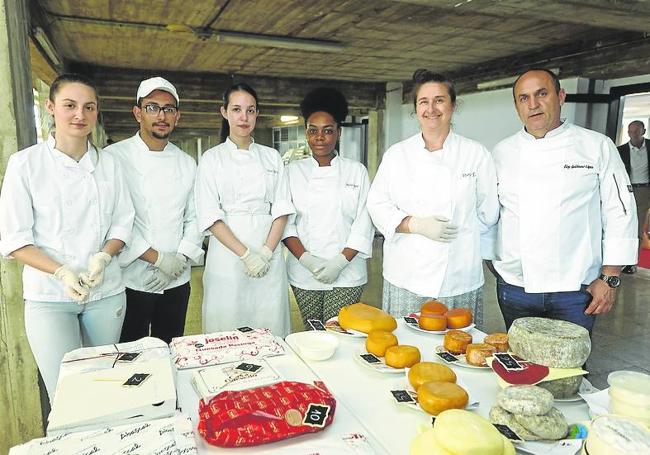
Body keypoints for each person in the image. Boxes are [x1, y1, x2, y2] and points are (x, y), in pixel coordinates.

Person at [0, 73, 134, 401]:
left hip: (105, 291)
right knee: (66, 392)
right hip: (49, 297)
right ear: (50, 107)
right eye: (70, 105)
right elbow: (15, 238)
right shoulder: (26, 164)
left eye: (89, 107)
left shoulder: (110, 165)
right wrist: (60, 271)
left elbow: (122, 223)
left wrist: (104, 256)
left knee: (105, 385)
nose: (80, 115)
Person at [489, 68, 638, 334]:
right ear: (516, 106)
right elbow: (489, 215)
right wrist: (496, 266)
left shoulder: (596, 146)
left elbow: (620, 212)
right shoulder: (501, 153)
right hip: (516, 286)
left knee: (570, 369)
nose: (533, 104)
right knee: (521, 367)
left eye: (541, 94)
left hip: (576, 287)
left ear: (561, 96)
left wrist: (610, 276)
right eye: (523, 98)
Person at [367, 70, 499, 329]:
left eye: (439, 100)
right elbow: (377, 204)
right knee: (406, 349)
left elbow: (488, 213)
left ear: (453, 105)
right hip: (407, 274)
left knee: (457, 349)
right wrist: (415, 225)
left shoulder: (476, 154)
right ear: (415, 109)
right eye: (423, 101)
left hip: (459, 275)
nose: (431, 108)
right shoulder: (398, 155)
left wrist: (462, 239)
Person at [105, 77, 203, 344]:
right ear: (138, 113)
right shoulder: (113, 158)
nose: (161, 115)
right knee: (129, 355)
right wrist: (157, 258)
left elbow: (195, 217)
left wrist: (179, 259)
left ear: (177, 116)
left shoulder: (186, 162)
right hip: (129, 280)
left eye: (168, 109)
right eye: (152, 107)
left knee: (172, 349)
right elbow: (115, 219)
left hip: (176, 279)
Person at [194, 83, 294, 336]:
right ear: (224, 112)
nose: (243, 117)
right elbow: (210, 214)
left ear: (257, 115)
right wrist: (246, 255)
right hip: (227, 256)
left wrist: (266, 253)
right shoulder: (211, 159)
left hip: (267, 252)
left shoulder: (271, 157)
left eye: (250, 110)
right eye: (237, 109)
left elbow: (281, 208)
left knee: (269, 323)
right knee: (226, 323)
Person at [282, 88, 375, 325]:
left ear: (339, 133)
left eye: (327, 131)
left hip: (347, 270)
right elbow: (286, 222)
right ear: (306, 134)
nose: (320, 137)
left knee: (339, 332)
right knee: (313, 332)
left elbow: (365, 221)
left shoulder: (356, 171)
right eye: (313, 131)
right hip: (304, 270)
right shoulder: (292, 172)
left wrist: (340, 262)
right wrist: (308, 261)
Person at [617, 120, 650, 274]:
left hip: (645, 189)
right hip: (628, 191)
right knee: (628, 226)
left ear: (643, 131)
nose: (633, 134)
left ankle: (631, 262)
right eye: (630, 131)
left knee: (639, 227)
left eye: (636, 131)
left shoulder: (649, 147)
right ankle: (625, 261)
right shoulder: (620, 150)